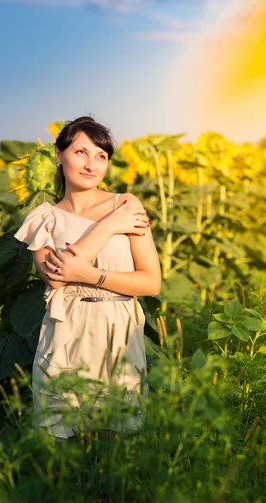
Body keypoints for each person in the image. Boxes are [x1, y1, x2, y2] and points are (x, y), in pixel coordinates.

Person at [14, 116, 161, 441]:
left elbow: (151, 282)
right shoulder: (44, 219)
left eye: (101, 156)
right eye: (80, 152)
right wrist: (108, 226)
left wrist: (91, 274)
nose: (91, 164)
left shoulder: (125, 203)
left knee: (120, 446)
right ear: (58, 154)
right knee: (60, 446)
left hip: (117, 331)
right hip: (66, 332)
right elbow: (56, 277)